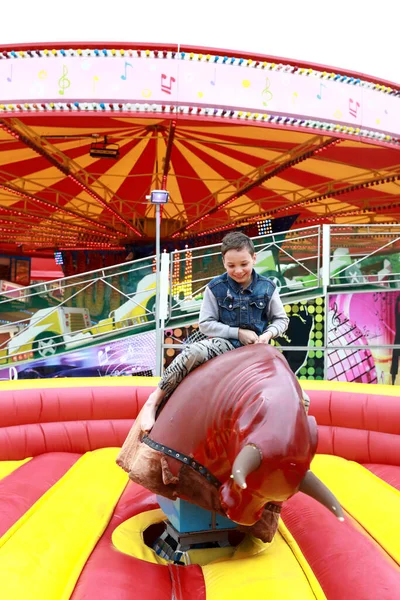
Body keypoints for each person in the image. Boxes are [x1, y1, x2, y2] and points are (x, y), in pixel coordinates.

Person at [140, 231, 290, 432]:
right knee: (193, 352)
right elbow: (205, 324)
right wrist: (237, 332)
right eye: (231, 266)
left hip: (258, 349)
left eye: (244, 264)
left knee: (292, 388)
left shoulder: (268, 287)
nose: (238, 270)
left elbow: (281, 319)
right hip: (224, 344)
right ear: (223, 262)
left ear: (254, 258)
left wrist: (268, 334)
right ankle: (154, 399)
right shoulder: (215, 288)